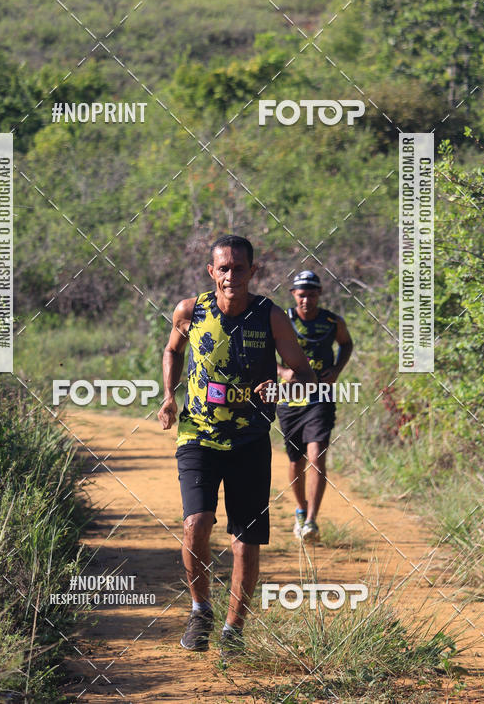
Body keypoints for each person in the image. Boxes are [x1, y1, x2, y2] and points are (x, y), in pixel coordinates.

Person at [158, 235, 317, 656]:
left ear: (253, 270)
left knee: (245, 539)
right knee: (197, 523)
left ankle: (233, 632)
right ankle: (200, 610)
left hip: (250, 439)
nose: (231, 275)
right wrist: (169, 396)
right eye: (223, 268)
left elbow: (301, 371)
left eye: (239, 268)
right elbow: (172, 350)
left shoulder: (271, 317)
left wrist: (281, 381)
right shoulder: (190, 311)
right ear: (211, 272)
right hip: (198, 436)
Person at [277, 270, 353, 542]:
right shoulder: (282, 320)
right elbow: (260, 352)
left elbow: (346, 344)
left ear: (319, 294)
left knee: (317, 455)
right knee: (295, 461)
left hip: (320, 397)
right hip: (289, 399)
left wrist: (337, 370)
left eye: (311, 294)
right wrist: (282, 372)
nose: (306, 299)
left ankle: (311, 522)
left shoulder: (333, 322)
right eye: (301, 294)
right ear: (293, 295)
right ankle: (301, 509)